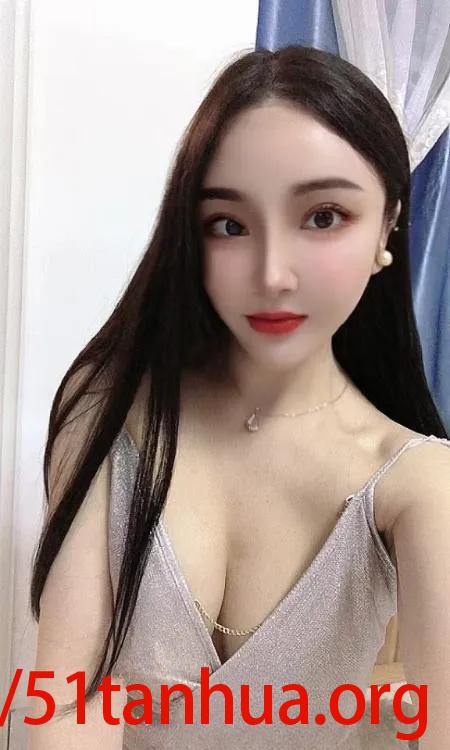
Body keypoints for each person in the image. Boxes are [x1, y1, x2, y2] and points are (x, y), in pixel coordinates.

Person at [28, 45, 450, 749]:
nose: (272, 273)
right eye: (229, 223)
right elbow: (67, 707)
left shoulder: (419, 484)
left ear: (388, 225)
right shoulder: (111, 408)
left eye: (324, 216)